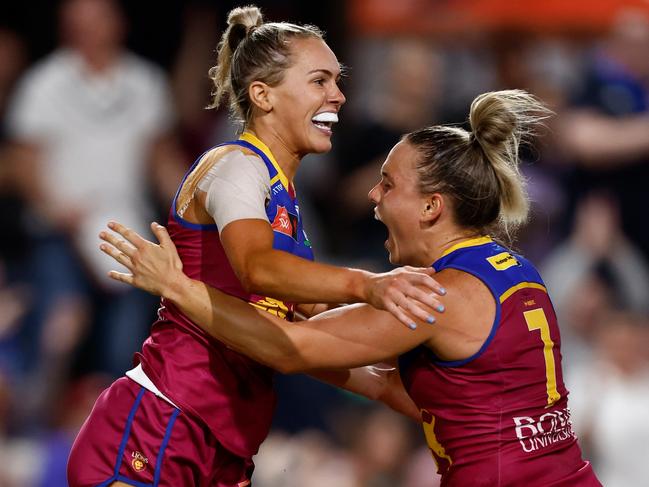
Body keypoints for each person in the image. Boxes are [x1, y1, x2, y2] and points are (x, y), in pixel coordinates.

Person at [101, 90, 603, 486]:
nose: (373, 195)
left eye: (388, 184)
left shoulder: (435, 295)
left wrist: (179, 287)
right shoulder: (515, 270)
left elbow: (291, 351)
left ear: (431, 207)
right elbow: (384, 384)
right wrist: (293, 311)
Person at [68, 5, 445, 487]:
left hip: (225, 442)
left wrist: (390, 383)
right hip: (163, 419)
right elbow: (256, 269)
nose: (339, 95)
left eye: (338, 80)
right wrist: (369, 285)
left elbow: (296, 332)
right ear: (263, 95)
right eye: (320, 81)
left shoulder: (283, 199)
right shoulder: (236, 165)